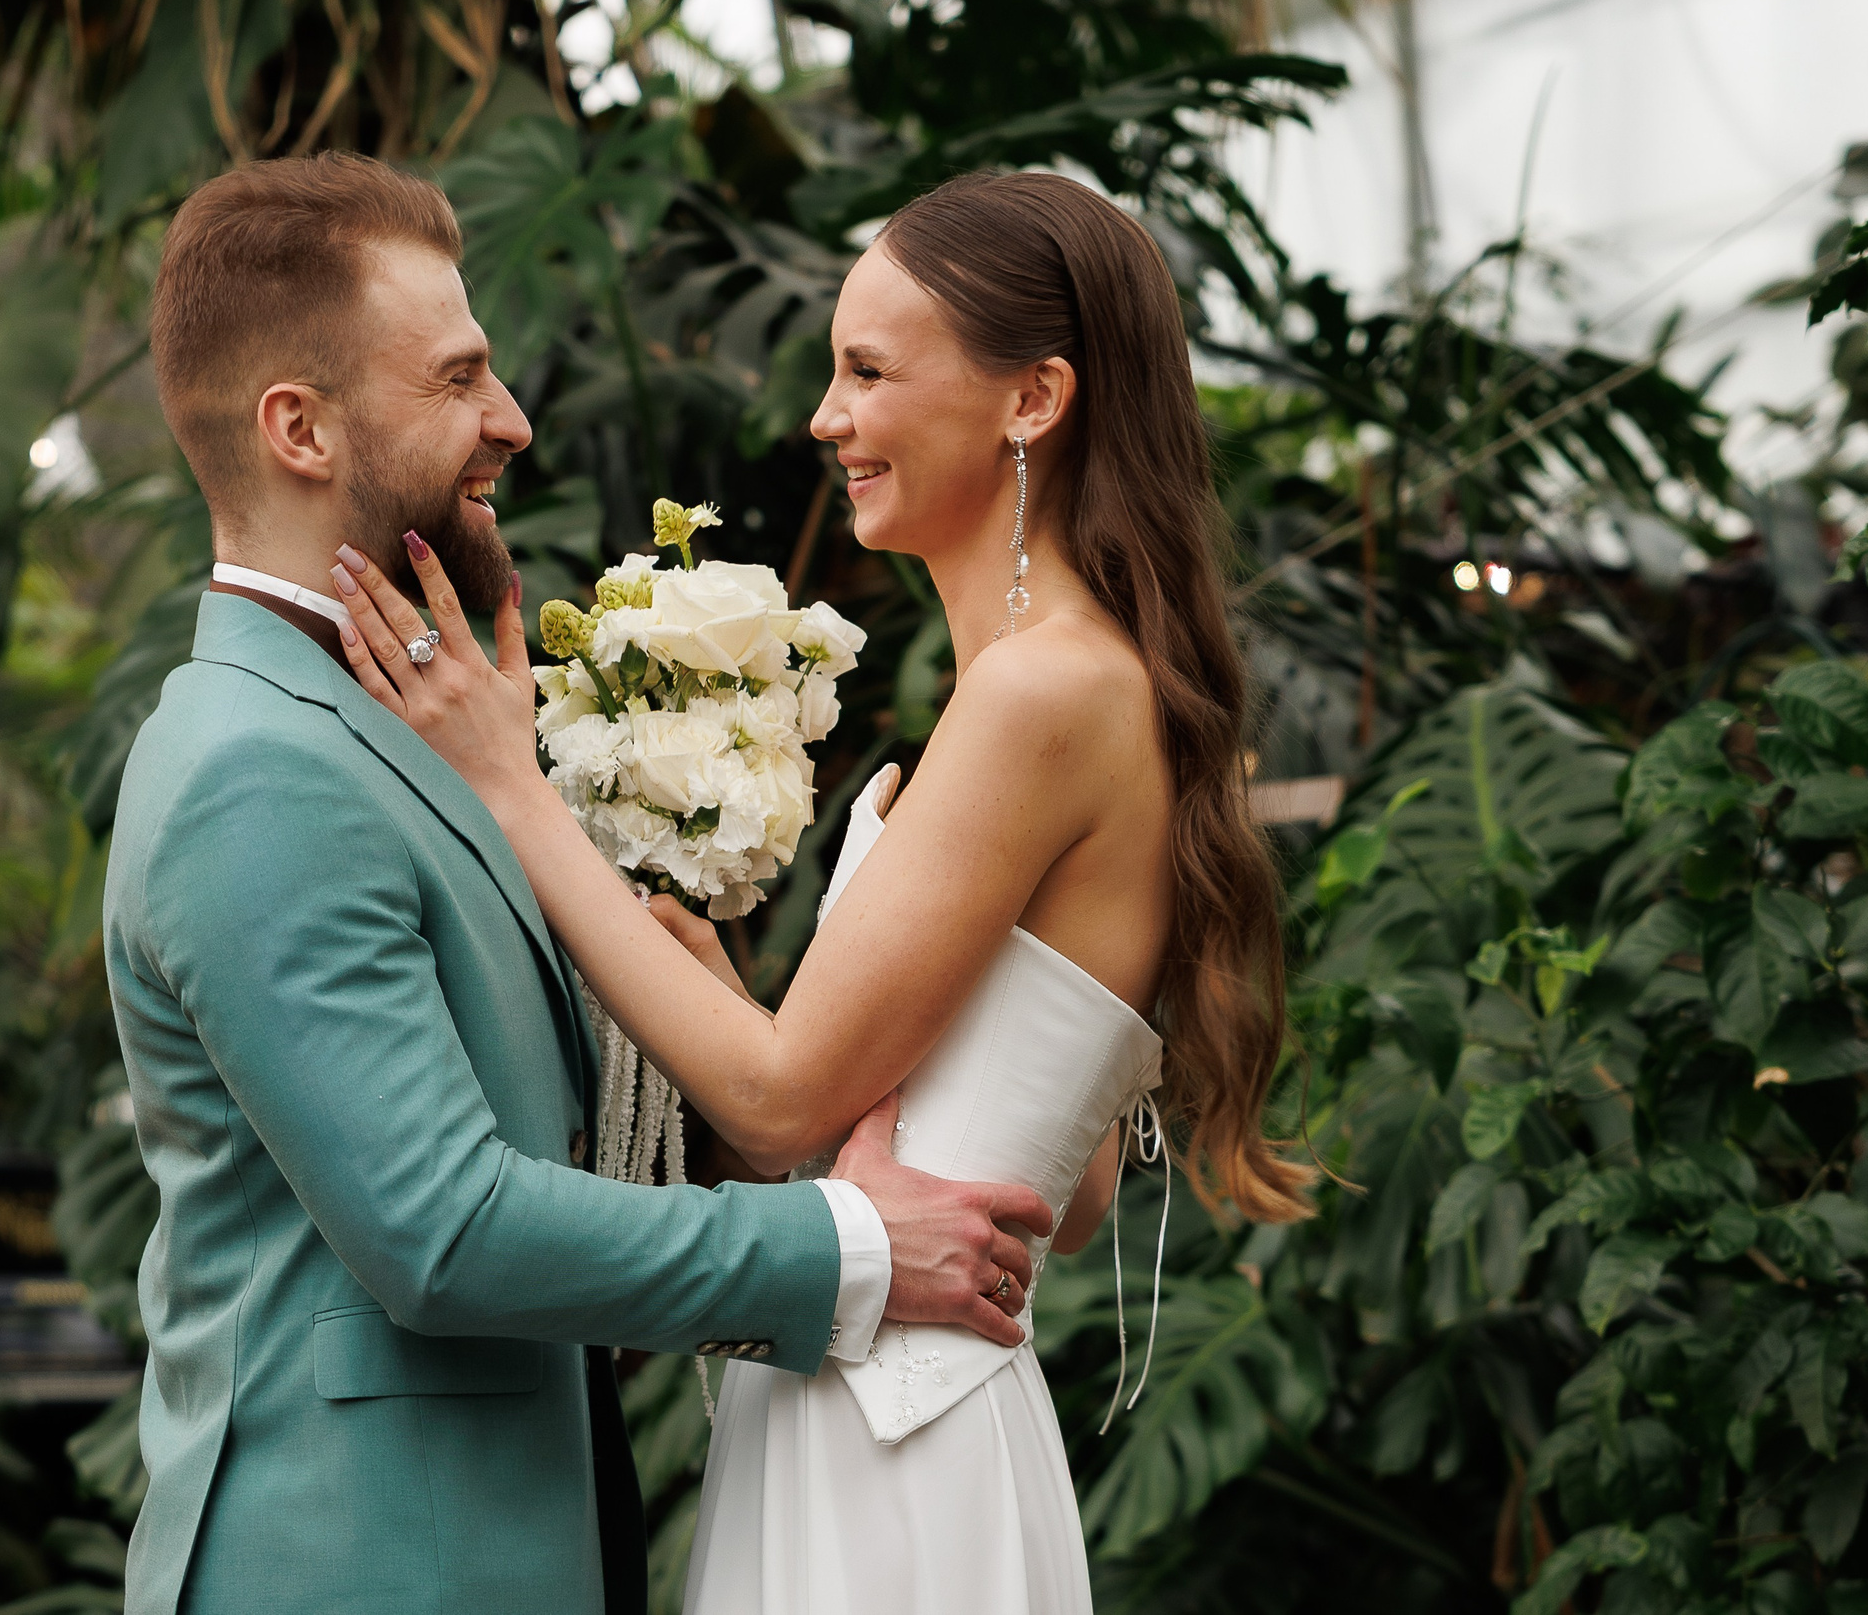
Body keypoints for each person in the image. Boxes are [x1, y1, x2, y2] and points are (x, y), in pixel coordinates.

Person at [331, 169, 1315, 1614]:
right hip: (899, 1405)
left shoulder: (1040, 695)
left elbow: (784, 1104)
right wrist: (727, 995)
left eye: (868, 371)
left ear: (1033, 399)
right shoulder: (1078, 686)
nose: (825, 417)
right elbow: (1067, 1194)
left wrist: (508, 785)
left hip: (890, 1433)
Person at [102, 151, 1058, 1615]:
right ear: (300, 428)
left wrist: (742, 1106)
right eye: (457, 378)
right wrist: (851, 1251)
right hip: (363, 1571)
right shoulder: (254, 770)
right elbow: (447, 1231)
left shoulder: (410, 720)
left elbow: (528, 1136)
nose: (512, 419)